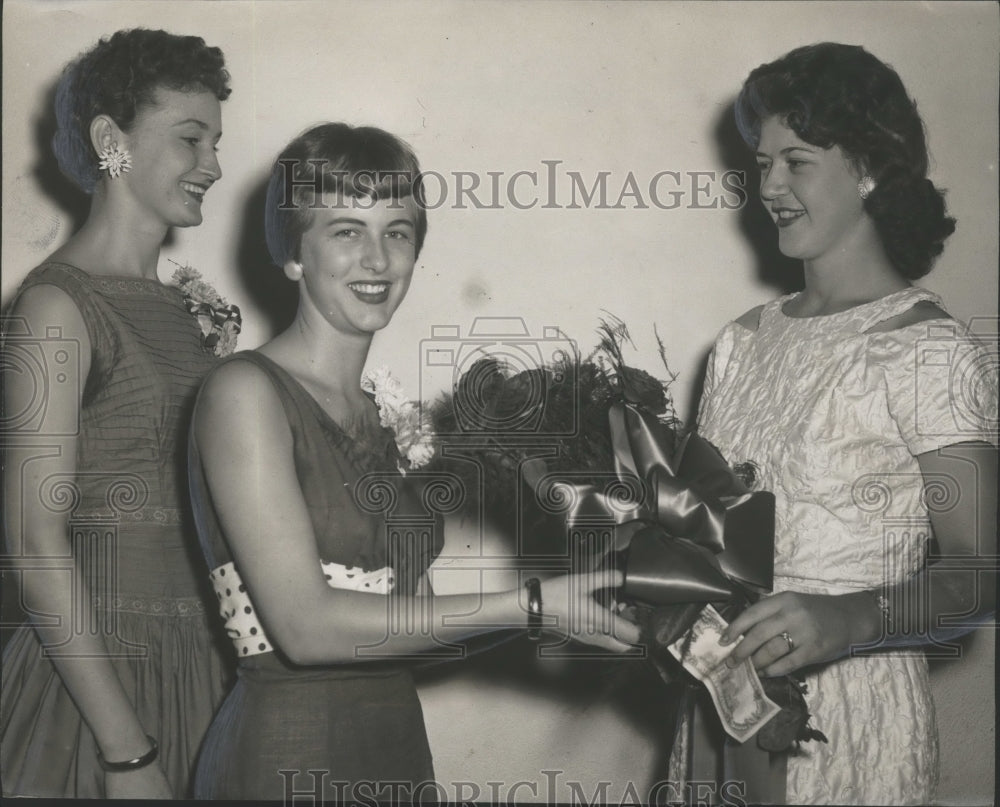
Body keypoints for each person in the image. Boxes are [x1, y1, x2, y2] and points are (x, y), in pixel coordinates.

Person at [188, 122, 640, 801]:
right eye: (345, 230)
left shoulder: (386, 417)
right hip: (289, 754)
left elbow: (415, 629)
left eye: (397, 231)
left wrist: (571, 607)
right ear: (292, 255)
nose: (376, 258)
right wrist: (531, 606)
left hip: (395, 746)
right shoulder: (243, 392)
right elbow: (306, 628)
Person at [679, 43, 997, 805]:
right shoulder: (740, 343)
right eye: (763, 164)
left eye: (798, 160)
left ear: (870, 169)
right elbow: (697, 536)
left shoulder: (928, 347)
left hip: (850, 716)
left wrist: (850, 616)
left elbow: (979, 572)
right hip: (719, 700)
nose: (772, 187)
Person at [1, 28, 234, 799]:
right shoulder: (53, 306)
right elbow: (34, 546)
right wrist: (126, 754)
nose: (214, 165)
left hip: (208, 668)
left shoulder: (191, 310)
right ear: (112, 141)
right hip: (98, 688)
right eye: (190, 138)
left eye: (217, 141)